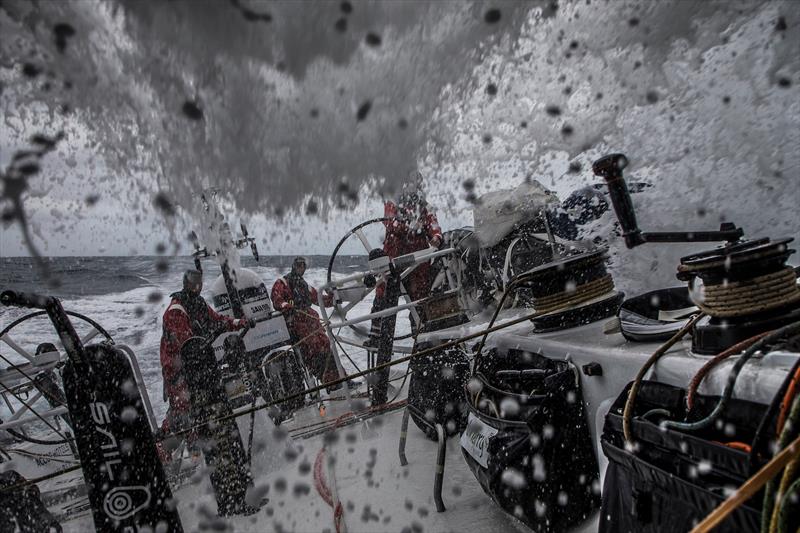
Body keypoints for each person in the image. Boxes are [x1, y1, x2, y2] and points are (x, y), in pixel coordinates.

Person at [158, 269, 249, 456]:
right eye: (193, 282)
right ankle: (163, 452)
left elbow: (219, 321)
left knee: (203, 405)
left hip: (197, 366)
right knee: (182, 412)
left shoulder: (199, 304)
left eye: (199, 282)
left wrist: (241, 322)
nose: (197, 286)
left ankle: (202, 446)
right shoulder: (176, 311)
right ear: (186, 283)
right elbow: (186, 344)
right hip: (178, 369)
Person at [271, 257, 345, 390]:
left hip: (311, 320)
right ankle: (330, 381)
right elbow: (277, 300)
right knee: (314, 348)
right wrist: (286, 305)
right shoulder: (282, 283)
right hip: (296, 324)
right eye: (298, 265)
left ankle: (341, 379)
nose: (301, 268)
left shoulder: (306, 286)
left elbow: (320, 300)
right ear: (294, 266)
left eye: (303, 266)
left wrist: (334, 297)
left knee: (326, 344)